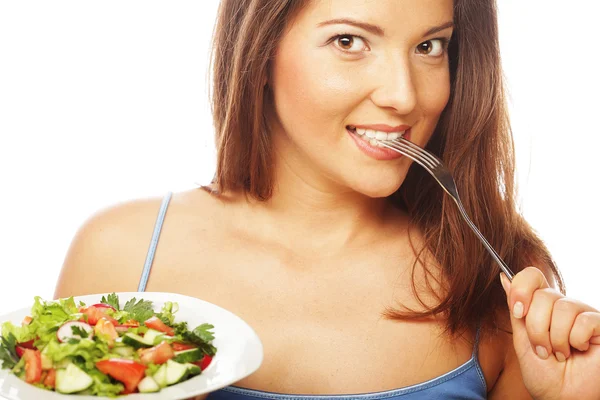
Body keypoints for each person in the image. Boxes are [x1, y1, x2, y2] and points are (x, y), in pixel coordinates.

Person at [54, 0, 600, 399]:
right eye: (349, 42)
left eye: (429, 47)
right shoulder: (120, 257)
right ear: (262, 50)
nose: (404, 95)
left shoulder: (494, 281)